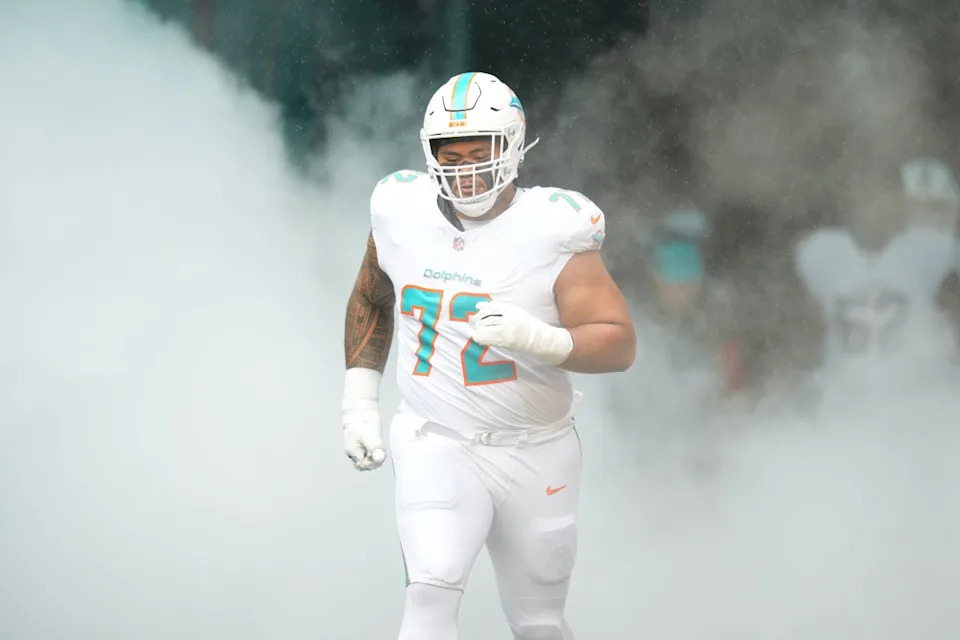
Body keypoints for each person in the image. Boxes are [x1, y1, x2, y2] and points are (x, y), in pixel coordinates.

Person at [339, 72, 636, 640]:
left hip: (538, 448)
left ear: (515, 146)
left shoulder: (553, 227)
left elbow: (619, 343)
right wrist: (358, 403)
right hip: (437, 439)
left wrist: (541, 339)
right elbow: (371, 295)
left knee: (538, 621)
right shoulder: (400, 210)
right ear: (430, 154)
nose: (466, 171)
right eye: (451, 157)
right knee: (430, 590)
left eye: (481, 154)